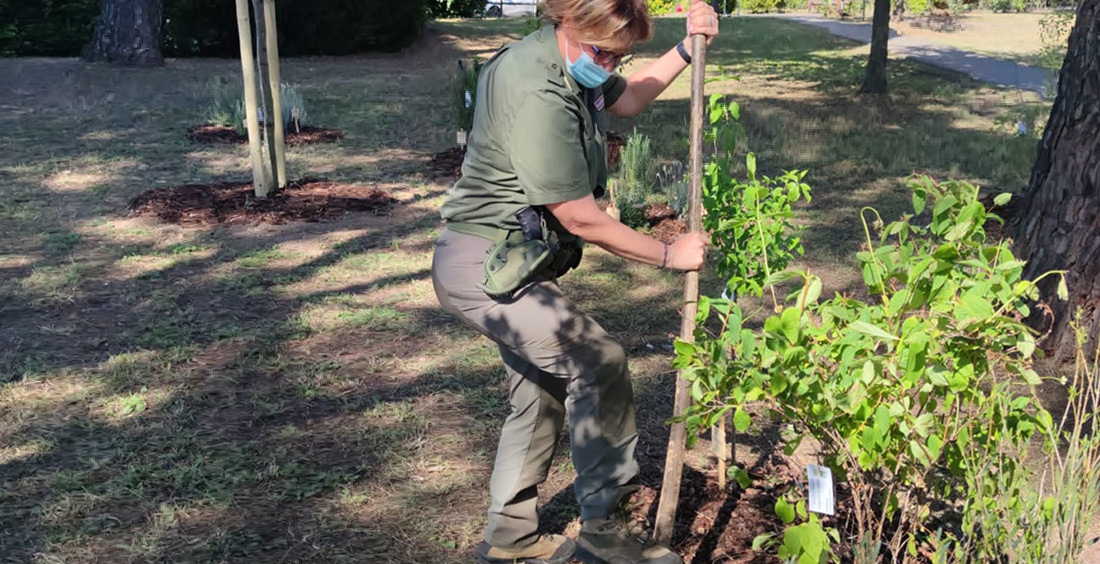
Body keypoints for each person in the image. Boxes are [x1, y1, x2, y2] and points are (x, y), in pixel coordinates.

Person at [431, 1, 720, 563]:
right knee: (598, 359)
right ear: (566, 22)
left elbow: (630, 97)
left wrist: (688, 47)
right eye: (603, 52)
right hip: (483, 266)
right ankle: (603, 533)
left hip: (505, 261)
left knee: (540, 392)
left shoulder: (569, 59)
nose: (610, 66)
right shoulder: (539, 91)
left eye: (619, 55)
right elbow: (580, 216)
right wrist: (669, 255)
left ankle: (511, 541)